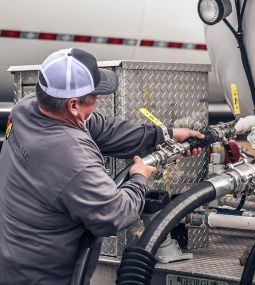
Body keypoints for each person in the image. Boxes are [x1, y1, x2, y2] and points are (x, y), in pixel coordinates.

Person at [0, 48, 204, 285]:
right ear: (74, 105)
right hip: (43, 276)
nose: (99, 100)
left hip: (13, 261)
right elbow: (114, 214)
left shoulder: (26, 108)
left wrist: (165, 135)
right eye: (95, 95)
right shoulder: (71, 156)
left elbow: (103, 129)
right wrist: (139, 178)